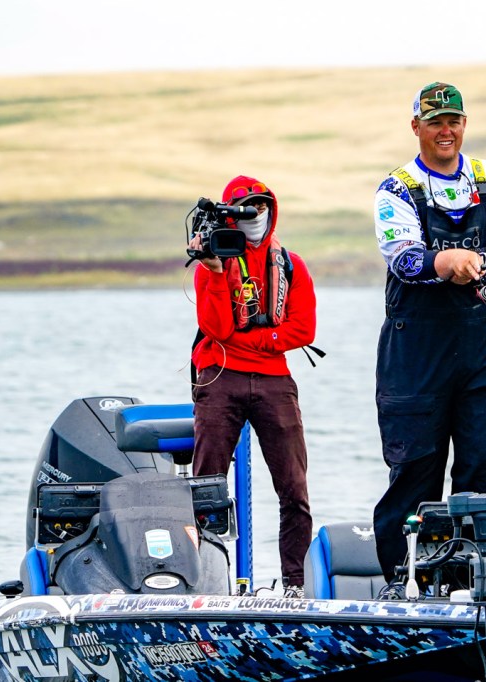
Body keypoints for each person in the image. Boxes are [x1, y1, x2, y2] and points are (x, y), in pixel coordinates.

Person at [371, 82, 486, 598]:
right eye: (435, 122)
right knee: (415, 471)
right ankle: (403, 582)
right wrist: (445, 261)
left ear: (465, 124)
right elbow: (403, 258)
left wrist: (482, 259)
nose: (446, 130)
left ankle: (483, 581)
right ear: (416, 127)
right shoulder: (395, 189)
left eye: (454, 121)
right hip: (416, 352)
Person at [188, 175, 317, 599]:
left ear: (271, 209)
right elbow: (216, 328)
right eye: (245, 209)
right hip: (219, 376)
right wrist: (214, 273)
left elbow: (304, 329)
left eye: (261, 206)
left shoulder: (292, 264)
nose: (254, 215)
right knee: (206, 486)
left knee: (294, 488)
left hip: (274, 379)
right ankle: (203, 580)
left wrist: (254, 341)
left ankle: (296, 585)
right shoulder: (213, 260)